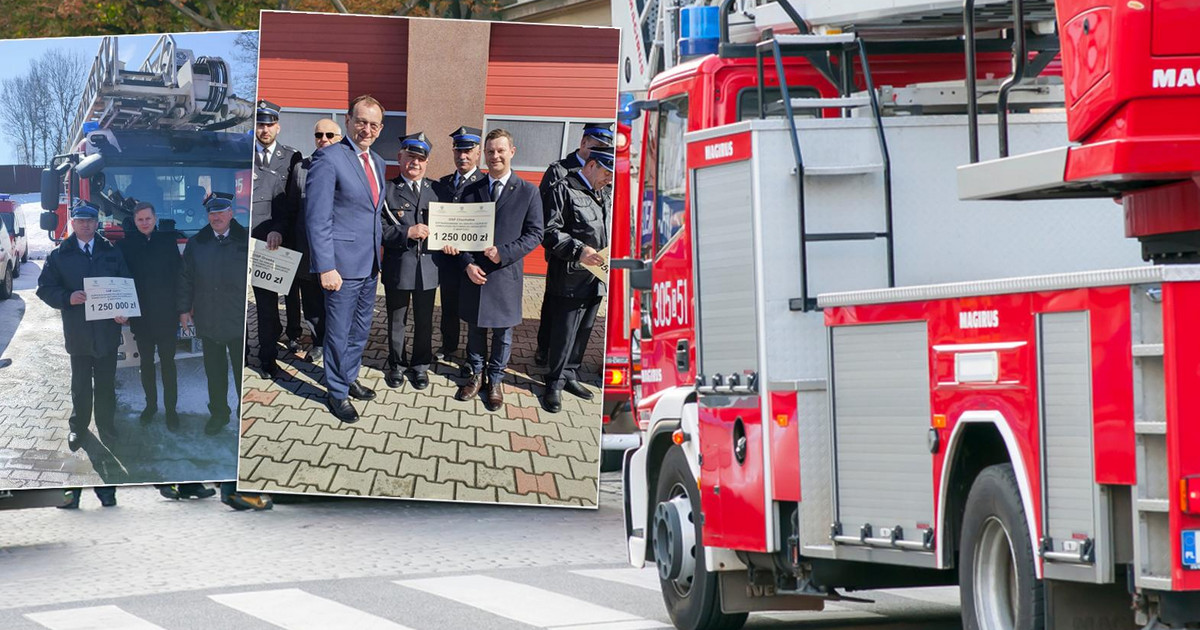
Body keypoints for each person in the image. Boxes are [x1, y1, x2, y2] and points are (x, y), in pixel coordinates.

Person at [305, 95, 387, 423]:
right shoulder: (329, 158)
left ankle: (349, 376)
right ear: (348, 121)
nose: (366, 129)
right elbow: (317, 217)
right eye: (361, 121)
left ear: (380, 129)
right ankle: (336, 392)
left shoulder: (378, 163)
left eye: (373, 124)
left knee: (360, 328)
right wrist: (326, 266)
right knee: (338, 331)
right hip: (340, 266)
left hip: (369, 265)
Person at [449, 129, 543, 411]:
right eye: (490, 151)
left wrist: (505, 252)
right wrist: (466, 263)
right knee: (476, 329)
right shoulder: (469, 190)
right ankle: (476, 375)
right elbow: (457, 232)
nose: (495, 156)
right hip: (475, 273)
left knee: (503, 333)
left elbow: (535, 233)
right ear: (484, 154)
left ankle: (496, 379)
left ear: (512, 152)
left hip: (505, 275)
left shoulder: (528, 191)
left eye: (501, 150)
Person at [36, 201, 131, 451]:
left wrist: (124, 311)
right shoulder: (59, 255)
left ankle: (106, 425)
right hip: (78, 333)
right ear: (73, 223)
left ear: (96, 222)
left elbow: (125, 284)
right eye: (80, 220)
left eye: (90, 220)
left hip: (107, 332)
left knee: (106, 384)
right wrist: (67, 298)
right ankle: (78, 428)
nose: (86, 224)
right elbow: (44, 288)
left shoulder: (111, 251)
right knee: (79, 385)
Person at [534, 122, 615, 366]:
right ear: (583, 143)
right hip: (563, 257)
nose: (598, 151)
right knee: (553, 307)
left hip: (592, 264)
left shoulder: (605, 175)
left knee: (577, 317)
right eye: (595, 146)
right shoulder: (559, 171)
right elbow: (546, 218)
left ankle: (564, 364)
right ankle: (544, 349)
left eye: (604, 147)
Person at [540, 146, 614, 413]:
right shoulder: (564, 188)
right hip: (570, 276)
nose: (610, 179)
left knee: (584, 331)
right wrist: (579, 250)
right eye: (607, 172)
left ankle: (570, 374)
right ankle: (554, 382)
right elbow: (548, 231)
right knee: (564, 332)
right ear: (591, 165)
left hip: (597, 277)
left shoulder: (605, 193)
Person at [177, 193, 247, 437]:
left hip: (239, 320)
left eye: (221, 212)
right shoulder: (197, 243)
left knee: (242, 374)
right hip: (209, 319)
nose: (215, 217)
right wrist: (184, 309)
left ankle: (244, 416)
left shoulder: (247, 239)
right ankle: (218, 414)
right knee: (214, 373)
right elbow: (186, 279)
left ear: (231, 213)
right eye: (211, 213)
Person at [382, 132, 440, 390]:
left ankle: (420, 367)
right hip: (399, 267)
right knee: (397, 319)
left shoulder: (437, 190)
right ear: (399, 158)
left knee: (424, 320)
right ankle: (396, 364)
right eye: (410, 157)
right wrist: (407, 232)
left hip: (429, 268)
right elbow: (379, 230)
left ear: (426, 162)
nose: (415, 163)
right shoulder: (387, 190)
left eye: (420, 158)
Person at [116, 202, 182, 430]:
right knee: (146, 364)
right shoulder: (125, 246)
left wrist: (183, 308)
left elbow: (179, 276)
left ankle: (171, 411)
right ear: (134, 222)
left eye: (147, 218)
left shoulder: (167, 242)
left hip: (167, 315)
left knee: (168, 364)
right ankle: (151, 405)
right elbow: (119, 280)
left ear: (155, 219)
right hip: (141, 317)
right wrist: (120, 308)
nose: (144, 223)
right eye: (140, 220)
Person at [249, 100, 303, 378]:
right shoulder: (242, 156)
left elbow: (291, 201)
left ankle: (292, 334)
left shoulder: (291, 156)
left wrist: (281, 229)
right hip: (248, 243)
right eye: (260, 123)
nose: (265, 129)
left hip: (278, 240)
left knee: (287, 295)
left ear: (278, 127)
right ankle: (258, 355)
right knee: (262, 304)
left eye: (269, 124)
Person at [290, 118, 343, 364]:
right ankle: (319, 342)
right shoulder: (301, 168)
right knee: (312, 303)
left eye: (330, 135)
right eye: (319, 135)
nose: (324, 139)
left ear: (339, 138)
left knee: (338, 303)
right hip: (308, 250)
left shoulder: (348, 166)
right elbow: (292, 209)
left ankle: (337, 345)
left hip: (339, 250)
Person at [435, 125, 485, 366]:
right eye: (458, 151)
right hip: (448, 259)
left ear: (478, 152)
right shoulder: (443, 184)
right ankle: (449, 345)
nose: (462, 156)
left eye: (468, 151)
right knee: (449, 307)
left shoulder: (485, 184)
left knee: (474, 311)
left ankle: (473, 355)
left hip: (475, 261)